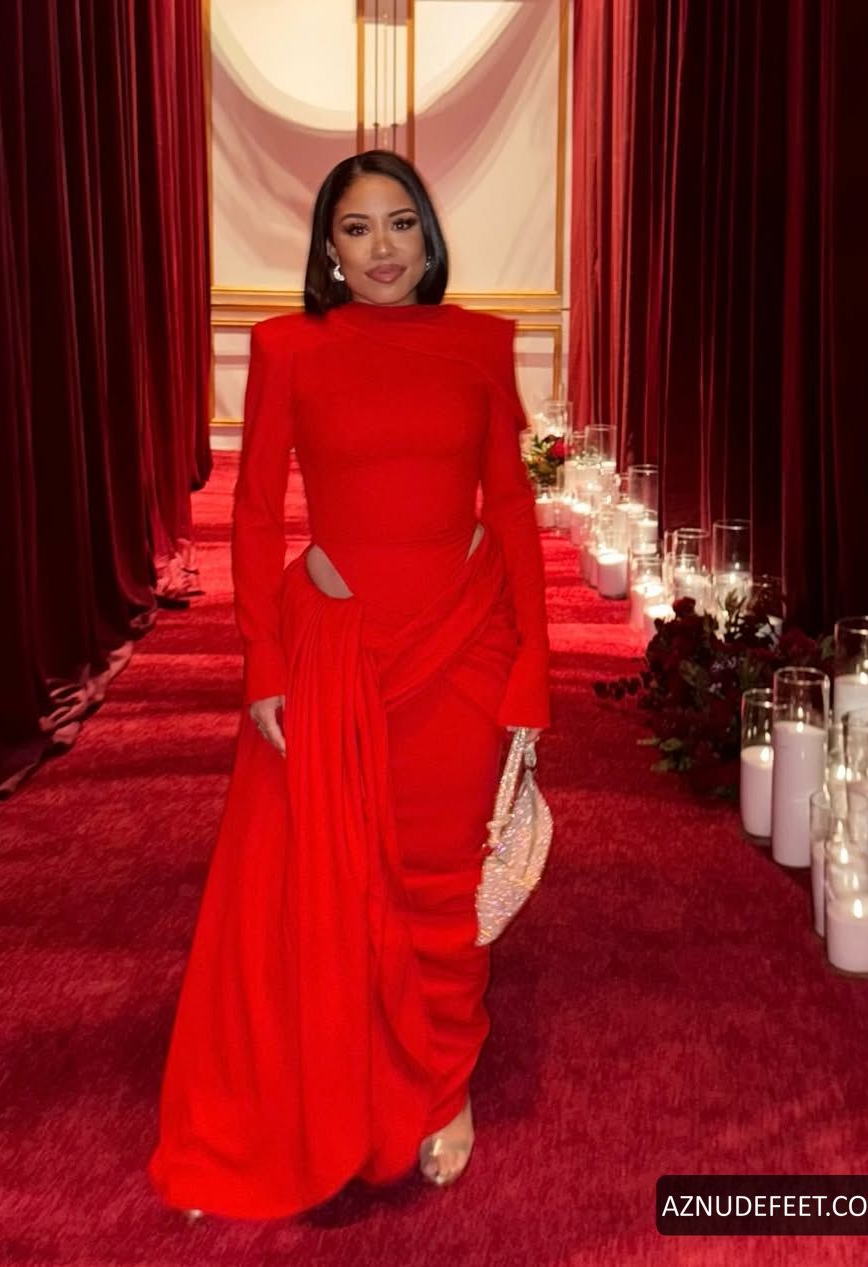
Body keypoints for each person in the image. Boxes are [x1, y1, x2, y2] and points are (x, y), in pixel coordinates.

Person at [148, 150, 551, 1220]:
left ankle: (444, 1081)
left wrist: (531, 667)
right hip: (341, 652)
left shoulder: (480, 343)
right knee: (349, 876)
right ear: (328, 247)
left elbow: (510, 507)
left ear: (429, 235)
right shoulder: (288, 346)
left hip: (464, 646)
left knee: (442, 876)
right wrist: (263, 659)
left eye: (401, 223)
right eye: (358, 228)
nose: (382, 248)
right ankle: (353, 1067)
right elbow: (252, 511)